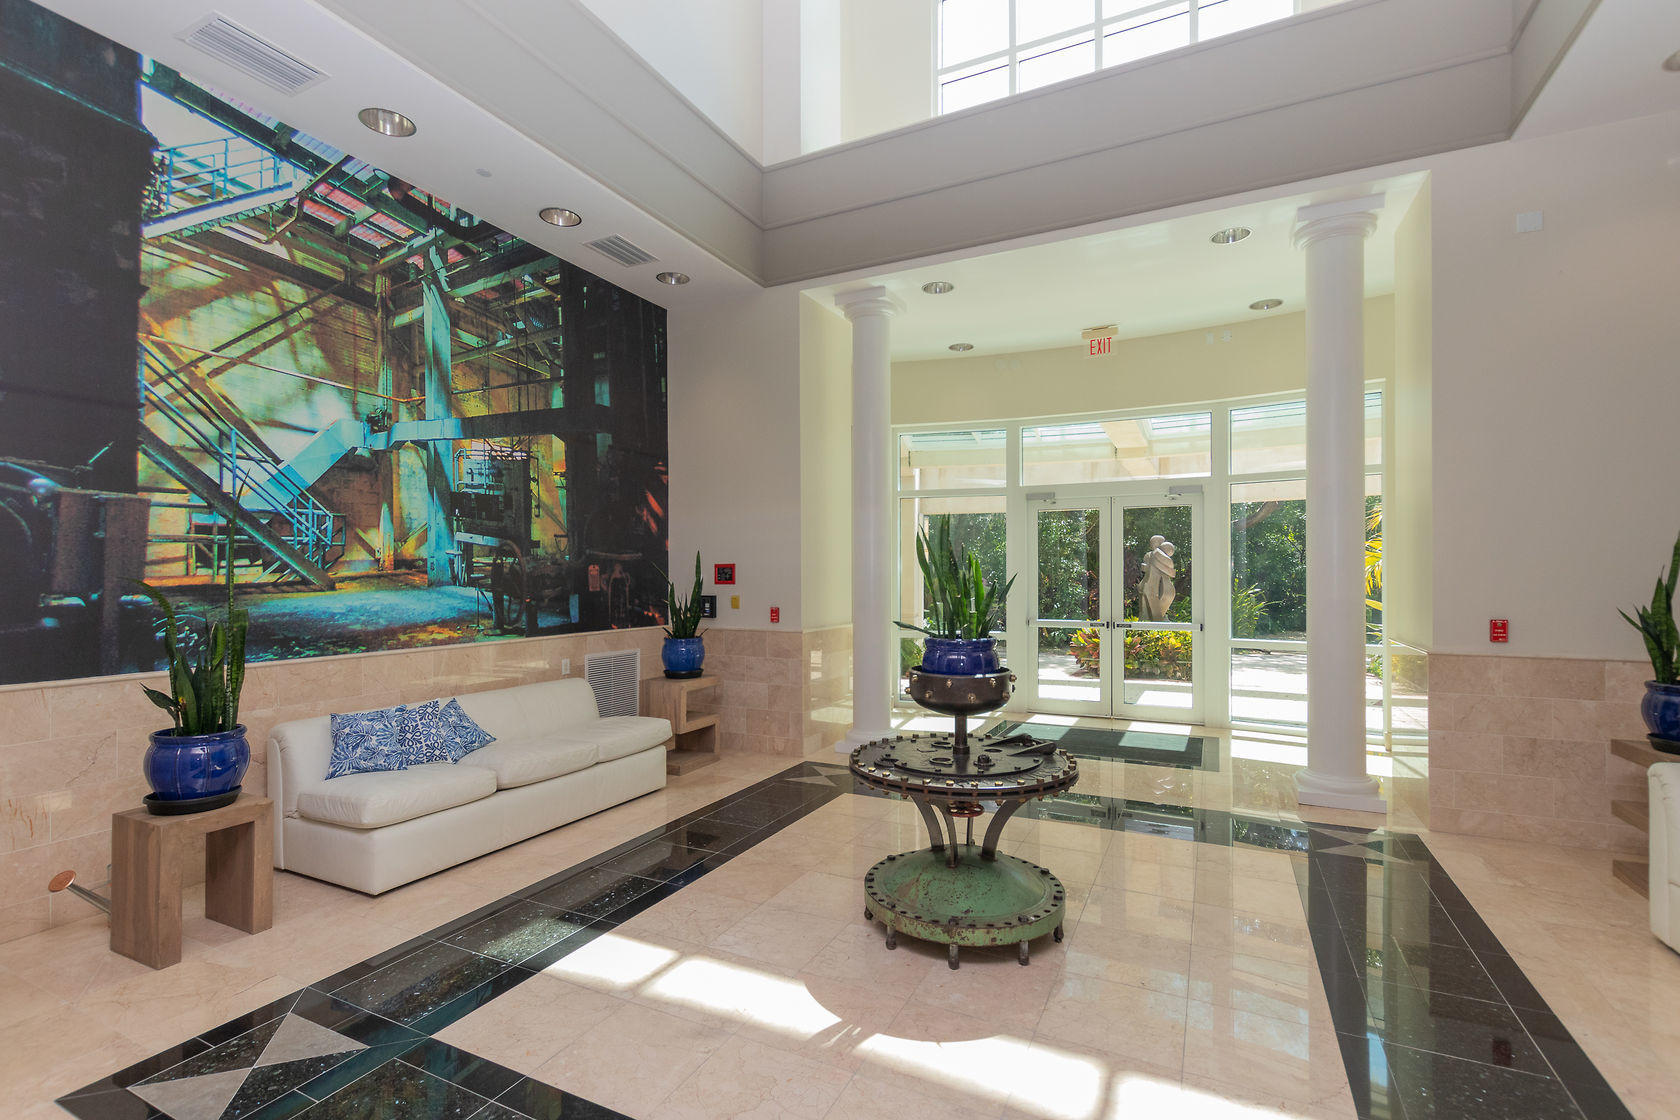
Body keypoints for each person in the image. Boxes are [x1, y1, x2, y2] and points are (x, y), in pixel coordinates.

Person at [1139, 535, 1177, 621]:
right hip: (1150, 582)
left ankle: (1158, 620)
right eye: (1153, 543)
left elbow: (1171, 572)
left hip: (1163, 584)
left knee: (1165, 598)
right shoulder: (1149, 555)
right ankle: (1151, 621)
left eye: (1158, 542)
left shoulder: (1165, 558)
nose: (1155, 545)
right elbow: (1145, 568)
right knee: (1147, 603)